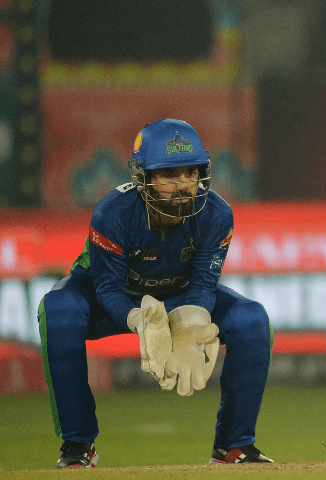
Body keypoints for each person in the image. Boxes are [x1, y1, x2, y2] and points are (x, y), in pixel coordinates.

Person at [38, 119, 274, 468]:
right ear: (143, 178)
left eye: (190, 173)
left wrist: (190, 320)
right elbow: (106, 287)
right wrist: (138, 320)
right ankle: (78, 446)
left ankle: (233, 447)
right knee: (58, 309)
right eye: (169, 175)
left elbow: (204, 284)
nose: (183, 185)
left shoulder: (218, 214)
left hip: (179, 293)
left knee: (251, 319)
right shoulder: (111, 213)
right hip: (112, 297)